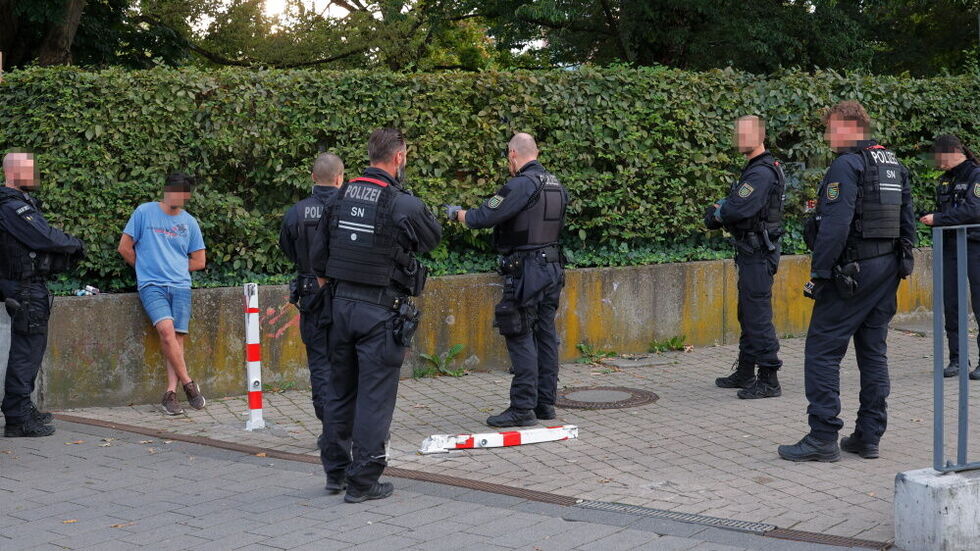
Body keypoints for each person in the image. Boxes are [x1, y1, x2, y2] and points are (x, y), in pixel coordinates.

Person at [779, 101, 915, 462]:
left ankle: (823, 436)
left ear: (846, 125)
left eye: (829, 129)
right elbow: (908, 224)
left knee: (822, 350)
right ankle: (868, 436)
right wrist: (900, 268)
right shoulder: (894, 164)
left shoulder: (847, 164)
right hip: (886, 270)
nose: (827, 137)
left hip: (853, 272)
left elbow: (834, 226)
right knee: (873, 352)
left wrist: (820, 275)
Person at [313, 128, 442, 503]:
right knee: (374, 397)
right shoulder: (402, 204)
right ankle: (364, 481)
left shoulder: (338, 198)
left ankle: (335, 473)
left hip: (339, 307)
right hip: (380, 312)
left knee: (339, 391)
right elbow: (432, 239)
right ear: (399, 157)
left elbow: (318, 260)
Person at [447, 133, 568, 428]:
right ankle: (544, 404)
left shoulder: (521, 184)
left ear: (513, 154)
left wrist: (456, 214)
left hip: (527, 270)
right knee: (545, 334)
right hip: (552, 267)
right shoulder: (556, 185)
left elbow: (483, 217)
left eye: (508, 157)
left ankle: (522, 408)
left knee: (519, 331)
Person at [0, 151, 84, 437]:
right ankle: (17, 416)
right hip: (24, 288)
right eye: (30, 170)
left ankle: (22, 408)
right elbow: (44, 236)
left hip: (26, 287)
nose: (35, 175)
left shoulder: (16, 204)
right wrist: (75, 245)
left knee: (31, 349)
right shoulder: (12, 207)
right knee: (26, 351)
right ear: (14, 172)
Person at [705, 116, 785, 399]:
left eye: (745, 133)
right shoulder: (755, 169)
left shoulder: (761, 172)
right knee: (748, 313)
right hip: (752, 251)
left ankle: (768, 377)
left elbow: (738, 209)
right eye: (737, 133)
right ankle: (746, 371)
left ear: (760, 136)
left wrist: (717, 213)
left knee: (758, 315)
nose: (739, 137)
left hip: (758, 253)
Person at [118, 172, 207, 416]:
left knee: (176, 339)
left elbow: (199, 260)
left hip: (180, 286)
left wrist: (175, 265)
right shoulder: (144, 212)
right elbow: (124, 247)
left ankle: (170, 394)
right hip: (152, 286)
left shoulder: (189, 222)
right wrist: (145, 267)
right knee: (166, 332)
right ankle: (189, 384)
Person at [279, 152, 345, 421]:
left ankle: (327, 420)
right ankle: (346, 422)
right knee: (348, 360)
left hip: (311, 294)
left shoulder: (296, 212)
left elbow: (288, 248)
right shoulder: (350, 209)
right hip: (346, 295)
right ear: (341, 178)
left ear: (313, 178)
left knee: (319, 362)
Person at [919, 134, 980, 381]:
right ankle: (957, 359)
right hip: (950, 247)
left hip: (975, 246)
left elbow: (975, 209)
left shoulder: (976, 175)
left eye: (939, 155)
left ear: (954, 151)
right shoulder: (945, 181)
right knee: (952, 304)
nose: (937, 161)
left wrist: (939, 219)